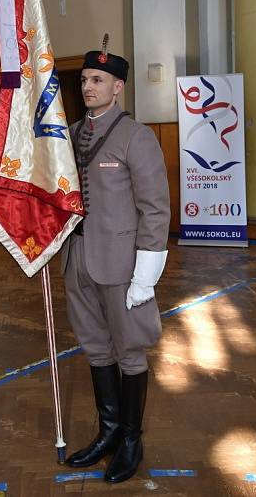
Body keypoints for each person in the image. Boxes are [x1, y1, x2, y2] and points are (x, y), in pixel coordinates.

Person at [61, 46, 170, 484]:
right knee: (96, 347)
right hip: (78, 260)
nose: (88, 87)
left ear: (118, 87)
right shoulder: (69, 134)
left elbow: (156, 210)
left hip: (122, 265)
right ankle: (107, 431)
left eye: (98, 80)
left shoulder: (136, 138)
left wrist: (145, 276)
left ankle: (130, 438)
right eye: (85, 80)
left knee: (128, 352)